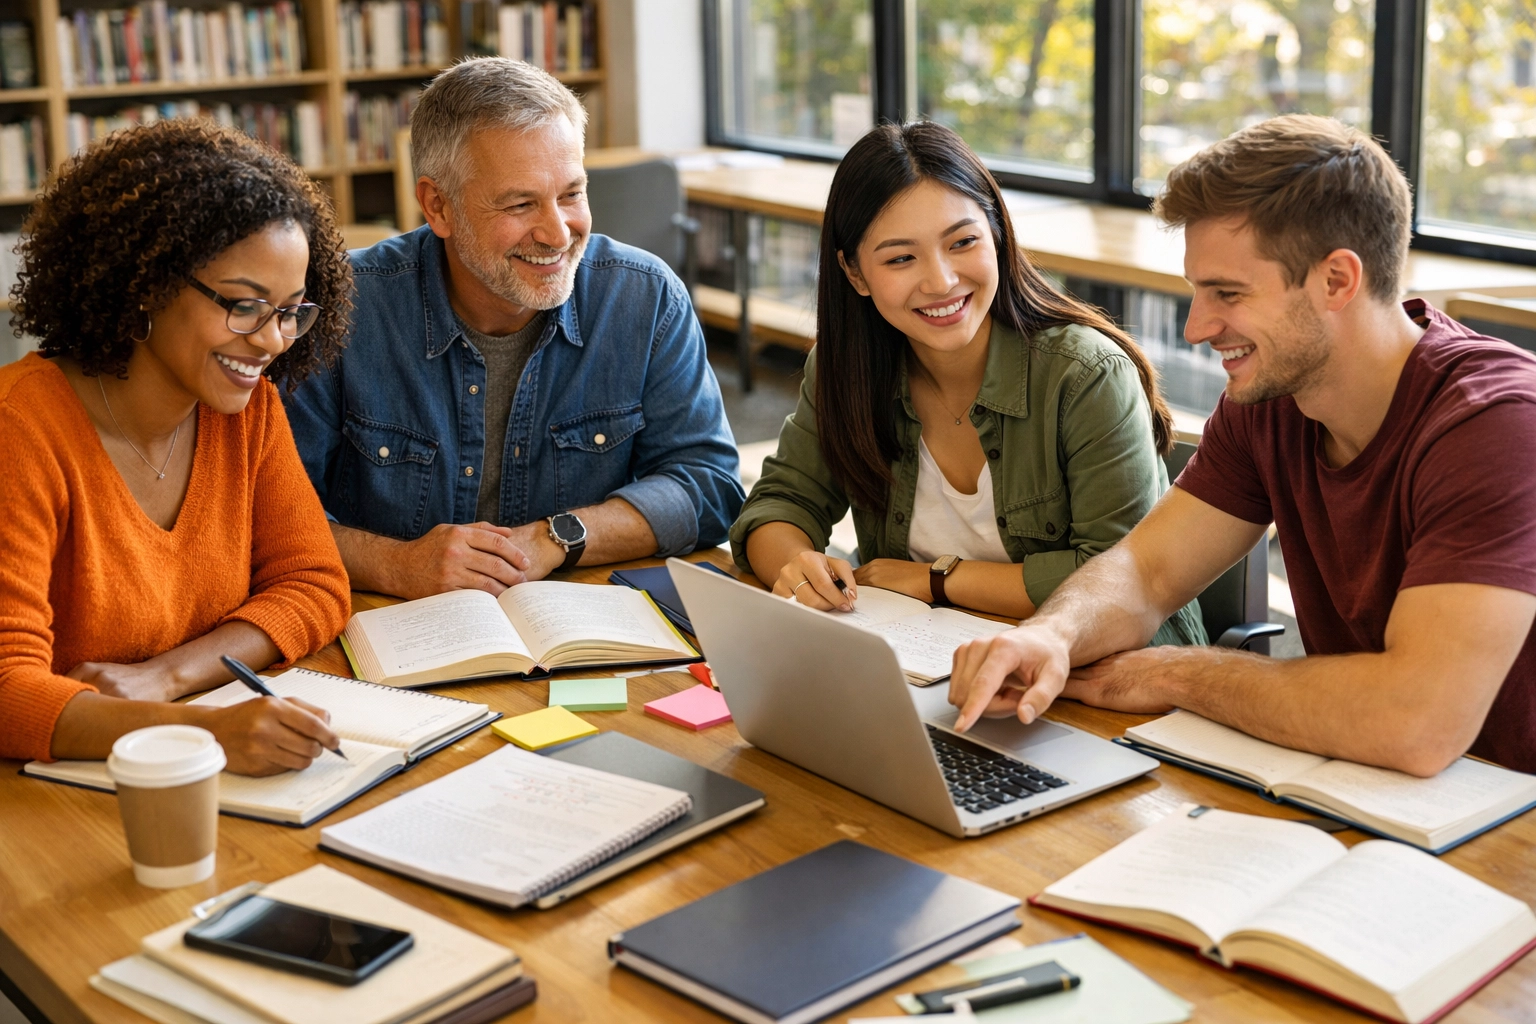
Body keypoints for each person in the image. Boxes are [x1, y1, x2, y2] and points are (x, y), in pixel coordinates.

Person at [948, 114, 1536, 776]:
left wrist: (1176, 674)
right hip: (1369, 787)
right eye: (1198, 292)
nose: (1198, 328)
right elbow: (1147, 572)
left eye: (1227, 294)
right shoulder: (1271, 399)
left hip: (1506, 823)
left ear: (1337, 280)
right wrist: (1047, 638)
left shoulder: (1496, 425)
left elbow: (1416, 723)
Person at [730, 121, 1204, 647]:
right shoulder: (845, 368)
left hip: (1108, 670)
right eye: (900, 258)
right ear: (855, 274)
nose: (941, 281)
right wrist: (797, 564)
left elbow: (1118, 579)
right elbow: (780, 504)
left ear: (997, 234)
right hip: (925, 661)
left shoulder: (1086, 376)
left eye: (962, 242)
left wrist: (935, 579)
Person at [285, 58, 742, 599]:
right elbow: (268, 516)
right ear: (438, 206)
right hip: (387, 630)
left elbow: (709, 486)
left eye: (572, 194)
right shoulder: (343, 307)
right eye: (521, 204)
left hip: (577, 631)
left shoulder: (645, 296)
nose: (556, 233)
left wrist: (560, 536)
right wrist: (395, 564)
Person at [0, 120, 354, 774]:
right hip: (45, 801)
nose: (274, 340)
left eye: (291, 311)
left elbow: (313, 583)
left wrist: (168, 676)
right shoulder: (19, 429)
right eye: (245, 306)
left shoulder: (246, 413)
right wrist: (206, 734)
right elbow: (6, 690)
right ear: (146, 283)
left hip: (178, 775)